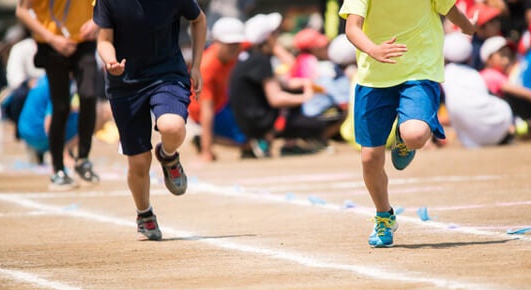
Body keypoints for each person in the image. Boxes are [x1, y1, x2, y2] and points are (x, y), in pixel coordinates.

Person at [339, 0, 476, 248]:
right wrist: (373, 50)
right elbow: (352, 28)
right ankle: (384, 216)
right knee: (370, 159)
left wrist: (470, 28)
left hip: (419, 70)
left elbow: (450, 10)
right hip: (374, 77)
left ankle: (404, 138)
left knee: (414, 135)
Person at [94, 0, 206, 241]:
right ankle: (144, 214)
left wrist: (196, 66)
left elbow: (198, 20)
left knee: (173, 126)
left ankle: (167, 155)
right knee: (138, 162)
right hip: (125, 84)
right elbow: (104, 40)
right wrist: (110, 60)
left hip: (167, 74)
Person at [16, 0, 99, 190]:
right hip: (51, 44)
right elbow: (22, 11)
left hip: (84, 41)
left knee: (89, 95)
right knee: (60, 106)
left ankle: (83, 159)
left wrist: (97, 22)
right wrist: (52, 39)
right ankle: (58, 169)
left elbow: (108, 4)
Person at [229, 13, 330, 157]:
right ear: (267, 37)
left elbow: (282, 81)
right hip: (258, 123)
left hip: (247, 119)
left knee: (296, 91)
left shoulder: (250, 56)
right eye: (275, 33)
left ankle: (276, 140)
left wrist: (305, 83)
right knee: (317, 126)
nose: (278, 36)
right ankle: (267, 139)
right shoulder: (260, 60)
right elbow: (275, 99)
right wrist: (306, 96)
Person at [187, 17, 251, 162]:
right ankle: (203, 140)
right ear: (216, 42)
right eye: (229, 44)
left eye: (237, 43)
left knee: (250, 131)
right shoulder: (206, 67)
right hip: (203, 109)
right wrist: (206, 151)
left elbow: (260, 39)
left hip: (223, 100)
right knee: (245, 142)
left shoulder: (239, 47)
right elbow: (206, 112)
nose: (235, 48)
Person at [442, 32, 514, 148]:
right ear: (470, 58)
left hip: (470, 137)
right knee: (502, 105)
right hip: (499, 128)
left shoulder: (444, 76)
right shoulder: (474, 74)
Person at [18, 74, 78, 168]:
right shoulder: (60, 82)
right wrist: (63, 155)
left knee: (75, 114)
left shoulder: (47, 77)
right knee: (91, 116)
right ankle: (62, 153)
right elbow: (50, 122)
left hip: (25, 131)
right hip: (39, 133)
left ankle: (39, 151)